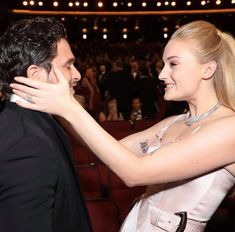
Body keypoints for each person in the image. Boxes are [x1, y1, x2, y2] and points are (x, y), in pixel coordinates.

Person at [11, 20, 235, 231]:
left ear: (208, 69)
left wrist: (69, 107)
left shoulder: (229, 128)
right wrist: (56, 106)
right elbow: (109, 153)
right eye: (164, 63)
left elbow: (134, 173)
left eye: (173, 64)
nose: (162, 73)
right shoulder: (173, 123)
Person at [0, 17, 92, 232]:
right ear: (36, 75)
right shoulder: (28, 143)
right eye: (68, 65)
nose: (77, 74)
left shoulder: (20, 120)